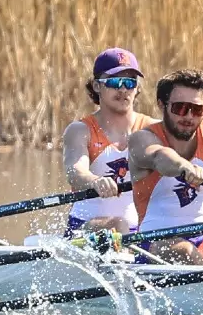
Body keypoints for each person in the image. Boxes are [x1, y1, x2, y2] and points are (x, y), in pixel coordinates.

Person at [128, 69, 203, 264]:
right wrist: (183, 166)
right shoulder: (142, 138)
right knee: (185, 253)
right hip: (153, 239)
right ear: (161, 105)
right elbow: (159, 157)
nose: (188, 116)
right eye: (180, 108)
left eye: (196, 109)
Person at [60, 47, 152, 235]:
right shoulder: (80, 130)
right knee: (118, 225)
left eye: (129, 82)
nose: (123, 89)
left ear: (137, 88)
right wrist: (96, 181)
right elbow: (75, 173)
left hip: (139, 229)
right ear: (96, 86)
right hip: (86, 228)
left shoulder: (152, 128)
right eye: (114, 81)